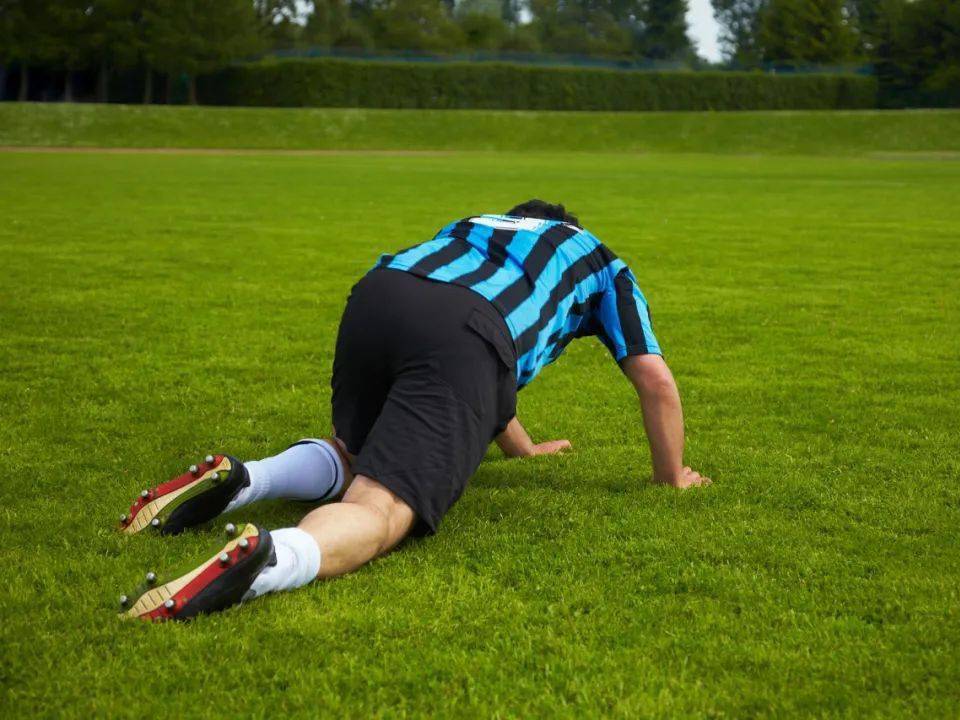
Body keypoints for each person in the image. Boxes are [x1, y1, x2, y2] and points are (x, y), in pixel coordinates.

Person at [117, 200, 710, 621]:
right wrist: (671, 477)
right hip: (468, 329)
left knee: (356, 452)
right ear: (568, 229)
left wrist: (522, 449)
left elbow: (484, 384)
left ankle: (250, 478)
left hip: (381, 294)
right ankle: (272, 559)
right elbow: (653, 379)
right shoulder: (600, 261)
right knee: (380, 506)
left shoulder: (475, 224)